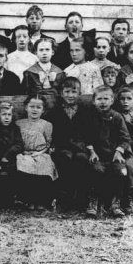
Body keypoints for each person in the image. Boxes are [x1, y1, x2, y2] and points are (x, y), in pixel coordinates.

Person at [45, 78, 93, 212]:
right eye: (67, 92)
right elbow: (50, 131)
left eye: (74, 92)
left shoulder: (85, 111)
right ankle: (64, 198)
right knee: (63, 159)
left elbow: (90, 132)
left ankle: (80, 199)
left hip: (80, 146)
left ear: (80, 93)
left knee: (81, 159)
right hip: (62, 146)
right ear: (61, 93)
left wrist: (87, 146)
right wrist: (53, 145)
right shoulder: (55, 112)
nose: (70, 95)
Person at [87, 85, 131, 218]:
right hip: (97, 155)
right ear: (94, 101)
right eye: (99, 99)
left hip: (113, 155)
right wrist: (91, 151)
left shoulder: (117, 117)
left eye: (106, 99)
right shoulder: (89, 116)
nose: (103, 102)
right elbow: (84, 136)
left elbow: (125, 138)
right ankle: (94, 202)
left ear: (112, 100)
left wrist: (119, 151)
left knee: (121, 171)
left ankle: (115, 203)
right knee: (96, 170)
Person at [16, 95, 57, 210]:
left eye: (38, 107)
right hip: (24, 153)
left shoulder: (46, 125)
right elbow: (16, 141)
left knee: (44, 166)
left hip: (41, 153)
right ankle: (28, 200)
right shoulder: (19, 123)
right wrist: (24, 152)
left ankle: (41, 200)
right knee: (24, 166)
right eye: (32, 106)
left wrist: (40, 153)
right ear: (26, 108)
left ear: (43, 110)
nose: (34, 110)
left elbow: (48, 143)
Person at [0, 102, 23, 211]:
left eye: (9, 115)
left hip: (11, 157)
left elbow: (19, 144)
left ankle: (11, 200)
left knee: (14, 171)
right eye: (3, 114)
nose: (6, 117)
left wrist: (8, 154)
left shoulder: (15, 128)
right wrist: (0, 155)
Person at [21, 38, 62, 108]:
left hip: (55, 106)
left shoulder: (60, 73)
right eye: (41, 50)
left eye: (47, 49)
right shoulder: (29, 73)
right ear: (36, 53)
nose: (44, 53)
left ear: (53, 52)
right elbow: (25, 93)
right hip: (36, 106)